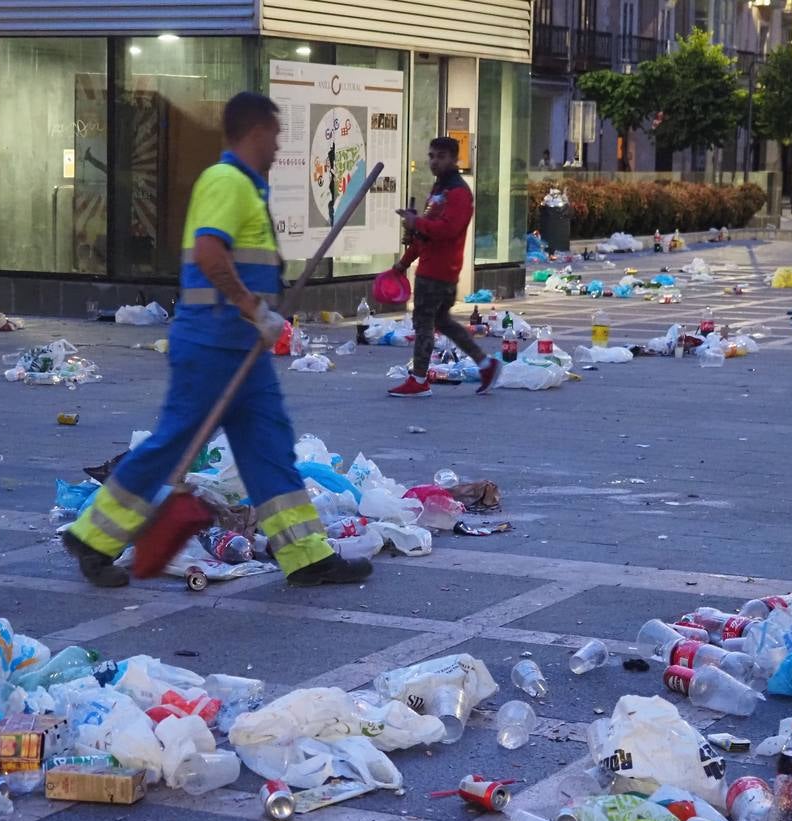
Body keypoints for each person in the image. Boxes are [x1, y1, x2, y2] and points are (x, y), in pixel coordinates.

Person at [64, 92, 371, 589]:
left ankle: (306, 554)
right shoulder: (226, 181)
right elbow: (210, 253)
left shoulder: (246, 187)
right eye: (274, 134)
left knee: (268, 448)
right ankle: (92, 538)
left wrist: (259, 315)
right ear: (254, 132)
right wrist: (254, 307)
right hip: (213, 344)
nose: (278, 146)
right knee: (172, 445)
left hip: (240, 349)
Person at [387, 136, 500, 398]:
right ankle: (485, 364)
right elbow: (425, 234)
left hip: (440, 270)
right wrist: (404, 262)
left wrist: (417, 224)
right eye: (431, 156)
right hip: (432, 266)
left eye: (440, 156)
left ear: (454, 159)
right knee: (441, 321)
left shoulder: (459, 193)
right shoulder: (440, 190)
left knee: (424, 322)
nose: (434, 162)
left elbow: (448, 230)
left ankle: (419, 379)